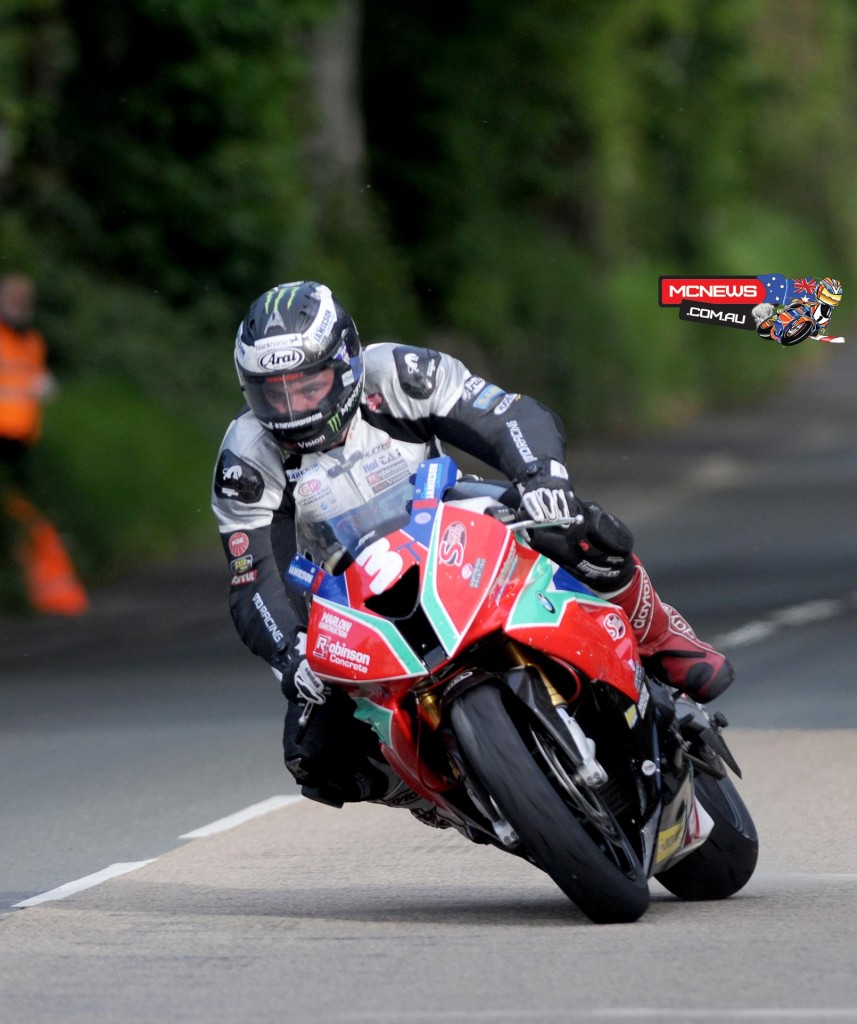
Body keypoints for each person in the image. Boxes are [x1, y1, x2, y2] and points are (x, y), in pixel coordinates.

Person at [211, 281, 733, 810]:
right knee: (315, 754)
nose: (293, 406)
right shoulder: (246, 459)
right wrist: (291, 650)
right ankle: (435, 794)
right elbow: (254, 577)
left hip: (448, 521)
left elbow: (508, 414)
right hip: (349, 593)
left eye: (307, 384)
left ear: (343, 363)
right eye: (273, 392)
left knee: (581, 529)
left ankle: (660, 640)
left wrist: (540, 475)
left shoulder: (396, 373)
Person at [0, 273, 88, 615]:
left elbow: (29, 382)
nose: (20, 307)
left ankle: (27, 576)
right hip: (2, 438)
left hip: (23, 442)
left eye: (25, 301)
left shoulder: (33, 341)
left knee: (23, 508)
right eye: (13, 299)